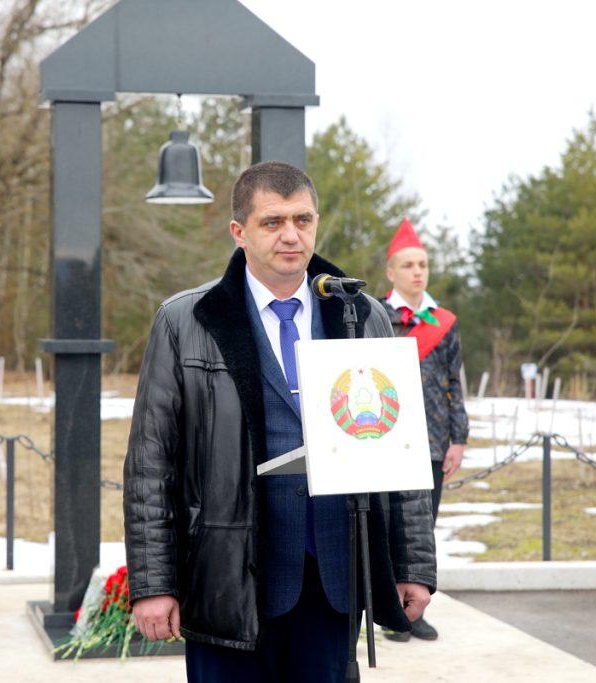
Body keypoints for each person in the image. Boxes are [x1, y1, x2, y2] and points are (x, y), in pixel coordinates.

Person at [123, 162, 436, 683]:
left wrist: (413, 567)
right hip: (227, 575)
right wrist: (154, 582)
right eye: (272, 222)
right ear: (239, 232)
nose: (291, 235)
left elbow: (399, 451)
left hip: (333, 577)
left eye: (303, 219)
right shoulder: (186, 321)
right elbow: (150, 464)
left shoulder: (361, 317)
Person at [379, 218, 469, 642]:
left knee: (422, 526)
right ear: (391, 272)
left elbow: (456, 382)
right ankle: (389, 607)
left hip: (432, 441)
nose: (418, 272)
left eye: (423, 264)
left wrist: (459, 438)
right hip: (383, 439)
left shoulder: (445, 322)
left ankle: (415, 610)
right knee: (386, 524)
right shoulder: (376, 314)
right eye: (409, 264)